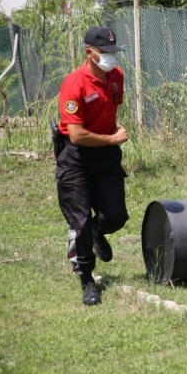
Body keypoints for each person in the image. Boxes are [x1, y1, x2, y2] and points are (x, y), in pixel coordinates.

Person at [55, 26, 130, 305]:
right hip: (76, 159)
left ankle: (99, 233)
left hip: (106, 157)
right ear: (90, 52)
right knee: (81, 224)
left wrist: (110, 139)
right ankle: (87, 280)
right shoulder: (74, 84)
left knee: (117, 216)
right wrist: (112, 137)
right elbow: (76, 134)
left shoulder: (116, 77)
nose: (112, 58)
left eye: (114, 52)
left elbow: (110, 111)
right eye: (106, 53)